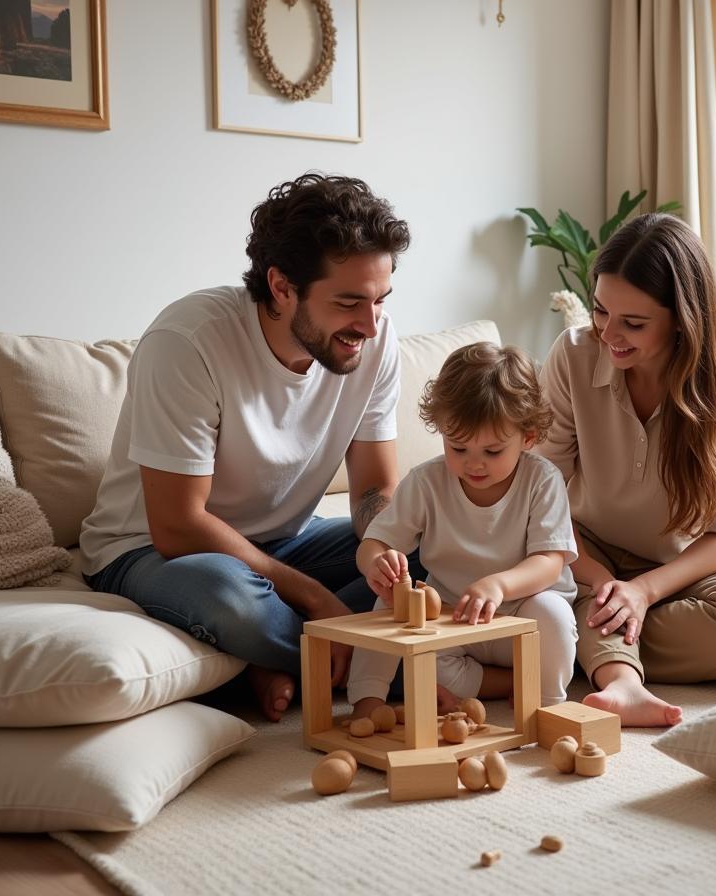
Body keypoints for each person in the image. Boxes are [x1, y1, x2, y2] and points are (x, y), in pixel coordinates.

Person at [80, 173, 416, 722]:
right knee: (231, 599)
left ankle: (270, 663)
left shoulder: (375, 341)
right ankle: (379, 668)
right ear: (282, 286)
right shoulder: (189, 342)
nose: (371, 324)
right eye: (350, 301)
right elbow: (179, 526)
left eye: (381, 300)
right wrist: (315, 599)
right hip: (149, 550)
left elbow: (377, 490)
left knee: (435, 543)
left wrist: (385, 549)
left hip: (282, 543)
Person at [537, 212, 716, 728]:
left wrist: (644, 592)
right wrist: (605, 580)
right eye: (600, 311)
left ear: (683, 317)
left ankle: (589, 645)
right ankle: (621, 681)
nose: (610, 334)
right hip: (583, 547)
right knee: (554, 588)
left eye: (633, 323)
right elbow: (543, 493)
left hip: (680, 569)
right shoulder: (573, 354)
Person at [346, 342, 578, 721]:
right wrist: (376, 562)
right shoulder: (427, 481)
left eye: (492, 452)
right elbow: (376, 540)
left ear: (529, 437)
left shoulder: (542, 479)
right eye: (458, 447)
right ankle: (368, 702)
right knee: (389, 613)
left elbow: (550, 562)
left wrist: (498, 586)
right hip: (452, 619)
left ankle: (545, 702)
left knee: (553, 616)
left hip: (522, 614)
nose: (474, 465)